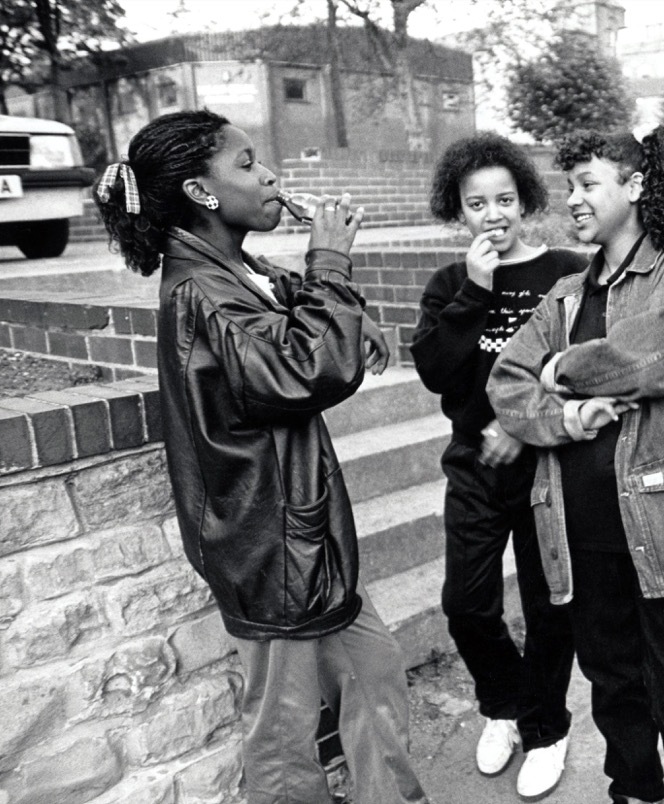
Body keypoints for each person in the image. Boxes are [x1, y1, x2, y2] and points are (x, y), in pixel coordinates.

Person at [95, 110, 427, 804]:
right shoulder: (201, 291)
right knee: (282, 738)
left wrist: (344, 308)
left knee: (375, 676)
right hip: (271, 553)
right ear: (201, 192)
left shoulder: (232, 268)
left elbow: (280, 301)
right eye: (246, 164)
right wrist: (331, 264)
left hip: (304, 543)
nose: (270, 175)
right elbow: (302, 370)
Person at [487, 125, 664, 804]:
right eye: (569, 186)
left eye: (588, 184)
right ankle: (635, 791)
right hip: (580, 529)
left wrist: (557, 368)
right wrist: (568, 416)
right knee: (612, 684)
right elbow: (506, 382)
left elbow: (646, 357)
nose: (573, 199)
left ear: (635, 186)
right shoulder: (565, 295)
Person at [410, 132, 582, 800]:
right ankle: (505, 706)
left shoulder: (566, 272)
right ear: (457, 209)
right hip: (474, 466)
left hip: (548, 468)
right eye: (477, 203)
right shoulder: (449, 284)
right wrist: (476, 290)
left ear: (525, 200)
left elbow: (586, 365)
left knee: (548, 607)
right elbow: (438, 373)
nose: (493, 214)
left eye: (504, 199)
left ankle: (546, 730)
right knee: (467, 605)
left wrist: (521, 421)